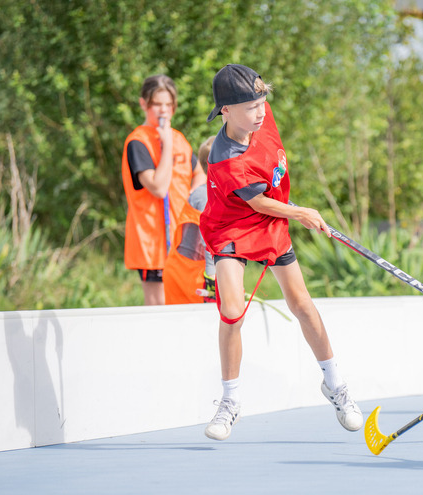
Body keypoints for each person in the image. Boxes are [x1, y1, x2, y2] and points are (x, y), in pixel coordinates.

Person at [198, 64, 362, 441]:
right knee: (232, 312)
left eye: (262, 102)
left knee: (303, 305)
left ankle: (335, 385)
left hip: (270, 228)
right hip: (232, 230)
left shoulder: (260, 117)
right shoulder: (225, 159)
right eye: (250, 106)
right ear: (225, 110)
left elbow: (268, 209)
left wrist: (296, 213)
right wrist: (303, 212)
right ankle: (230, 400)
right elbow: (259, 203)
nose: (260, 111)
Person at [121, 74, 207, 305]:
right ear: (144, 104)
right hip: (152, 241)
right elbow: (158, 188)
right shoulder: (138, 142)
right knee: (159, 310)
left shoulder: (180, 139)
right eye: (157, 104)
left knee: (182, 302)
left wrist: (192, 196)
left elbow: (199, 172)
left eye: (168, 104)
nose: (163, 110)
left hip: (182, 239)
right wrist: (166, 144)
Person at [189, 135, 217, 302]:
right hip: (191, 275)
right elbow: (209, 240)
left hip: (196, 271)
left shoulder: (212, 191)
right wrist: (212, 280)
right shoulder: (206, 195)